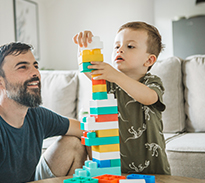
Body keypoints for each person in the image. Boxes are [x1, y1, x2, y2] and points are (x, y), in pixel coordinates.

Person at [0, 42, 88, 183]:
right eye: (22, 67)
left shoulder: (36, 116)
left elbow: (87, 130)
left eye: (35, 66)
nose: (36, 73)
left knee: (73, 143)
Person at [73, 21, 171, 174]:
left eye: (130, 46)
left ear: (149, 60)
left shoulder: (151, 82)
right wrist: (85, 48)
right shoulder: (109, 83)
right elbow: (89, 69)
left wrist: (116, 76)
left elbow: (149, 98)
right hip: (117, 169)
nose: (120, 50)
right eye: (117, 46)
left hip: (153, 169)